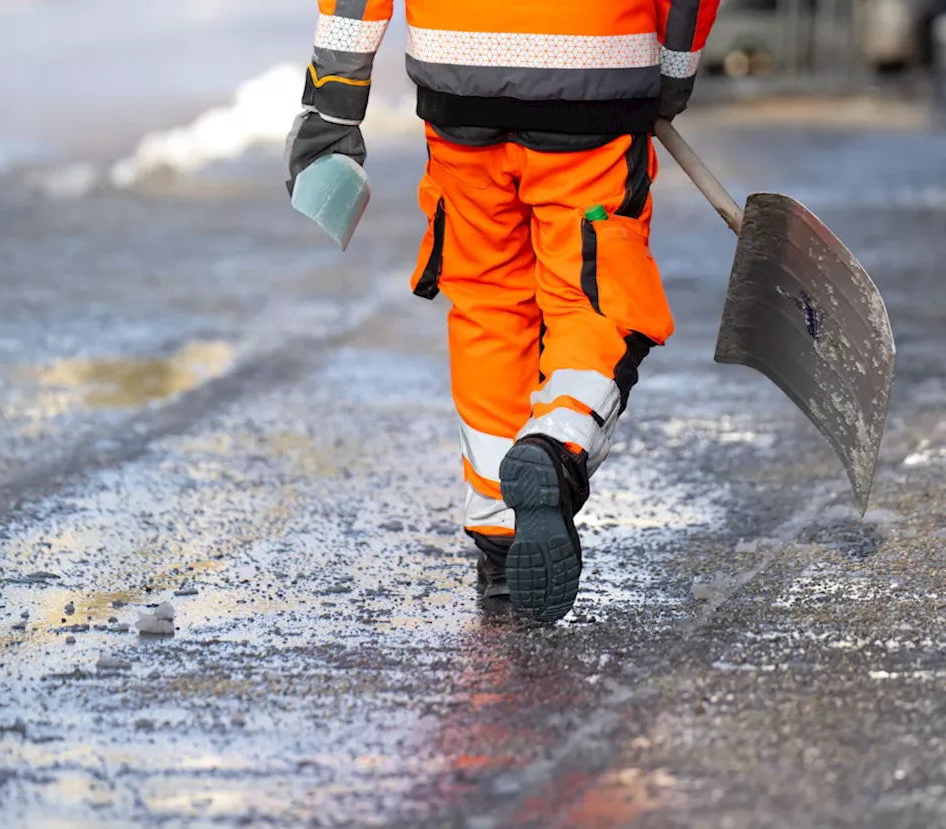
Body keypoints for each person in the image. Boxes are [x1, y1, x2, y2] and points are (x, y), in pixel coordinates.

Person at [286, 1, 722, 622]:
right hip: (594, 73)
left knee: (489, 302)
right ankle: (558, 445)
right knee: (591, 297)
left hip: (458, 78)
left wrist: (333, 102)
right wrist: (672, 75)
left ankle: (499, 537)